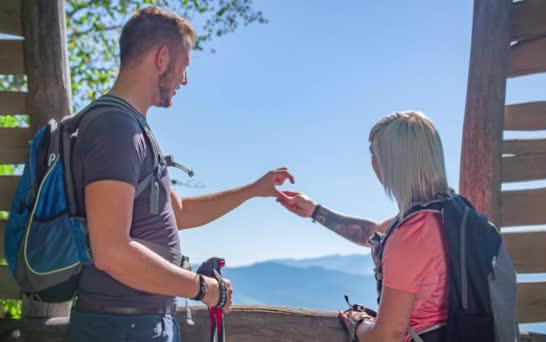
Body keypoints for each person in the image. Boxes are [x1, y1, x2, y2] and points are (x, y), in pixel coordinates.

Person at [67, 6, 294, 342]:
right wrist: (202, 289)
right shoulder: (115, 129)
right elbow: (111, 251)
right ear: (162, 58)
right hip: (122, 328)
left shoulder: (132, 128)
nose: (184, 80)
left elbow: (179, 213)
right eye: (184, 66)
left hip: (137, 325)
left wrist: (252, 190)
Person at [280, 111, 449, 342]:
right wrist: (315, 211)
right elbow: (373, 233)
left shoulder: (410, 235)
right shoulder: (451, 216)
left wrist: (357, 322)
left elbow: (385, 337)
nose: (372, 163)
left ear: (391, 163)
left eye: (374, 154)